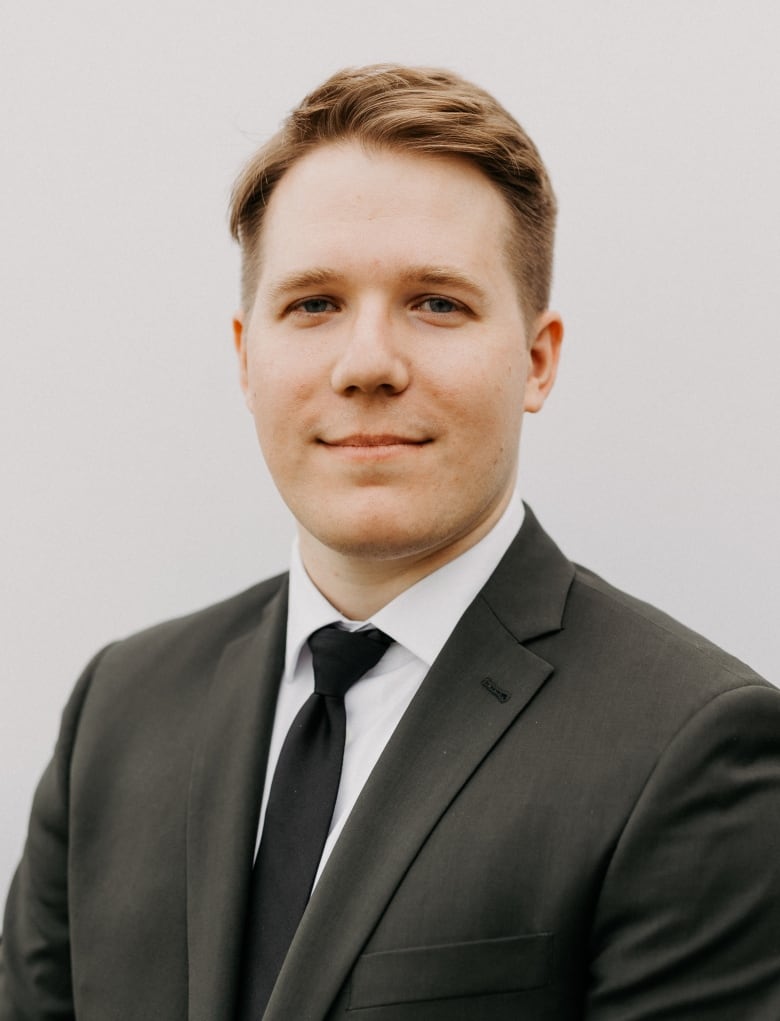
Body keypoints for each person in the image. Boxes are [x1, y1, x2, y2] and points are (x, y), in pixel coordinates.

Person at [1, 64, 779, 1021]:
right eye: (315, 304)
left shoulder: (693, 746)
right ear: (247, 356)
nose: (367, 363)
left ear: (536, 361)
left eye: (436, 301)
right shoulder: (117, 713)